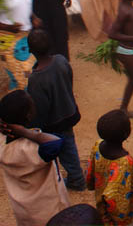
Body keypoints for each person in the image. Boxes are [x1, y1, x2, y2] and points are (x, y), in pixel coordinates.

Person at [0, 91, 70, 226]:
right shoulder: (30, 148)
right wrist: (25, 132)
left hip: (23, 208)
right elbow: (56, 143)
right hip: (47, 208)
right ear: (29, 116)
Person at [26, 29, 85, 192]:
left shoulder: (36, 79)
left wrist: (35, 126)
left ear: (30, 51)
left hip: (53, 122)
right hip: (69, 112)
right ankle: (76, 175)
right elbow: (69, 79)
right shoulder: (61, 60)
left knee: (61, 149)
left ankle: (76, 179)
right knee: (69, 146)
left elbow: (40, 107)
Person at [86, 110, 133, 226]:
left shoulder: (98, 145)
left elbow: (90, 173)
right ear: (126, 133)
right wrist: (116, 219)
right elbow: (117, 201)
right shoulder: (125, 162)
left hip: (102, 209)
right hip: (125, 218)